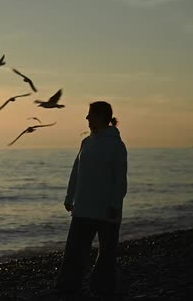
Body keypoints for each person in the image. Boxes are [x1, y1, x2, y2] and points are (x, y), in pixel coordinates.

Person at [54, 101, 128, 297]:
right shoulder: (87, 142)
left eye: (90, 114)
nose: (86, 118)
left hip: (107, 210)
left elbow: (120, 179)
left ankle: (103, 288)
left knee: (107, 254)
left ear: (102, 116)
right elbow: (76, 172)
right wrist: (70, 197)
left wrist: (114, 204)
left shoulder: (116, 145)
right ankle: (68, 288)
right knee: (74, 252)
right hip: (83, 208)